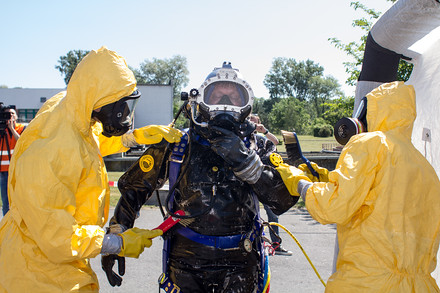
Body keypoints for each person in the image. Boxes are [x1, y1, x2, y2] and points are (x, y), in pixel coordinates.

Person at [102, 62, 299, 292]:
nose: (225, 103)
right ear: (199, 100)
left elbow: (282, 199)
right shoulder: (178, 143)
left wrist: (246, 161)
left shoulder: (258, 145)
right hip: (185, 261)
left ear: (247, 104)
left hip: (242, 261)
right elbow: (135, 188)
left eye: (234, 97)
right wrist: (115, 237)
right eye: (217, 95)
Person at [0, 47, 182, 292]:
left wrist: (134, 138)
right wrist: (117, 243)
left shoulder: (73, 108)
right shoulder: (50, 152)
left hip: (52, 260)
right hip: (38, 272)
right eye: (123, 106)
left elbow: (87, 140)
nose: (127, 113)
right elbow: (56, 236)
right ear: (102, 103)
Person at [276, 81, 440, 292]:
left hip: (367, 283)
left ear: (373, 110)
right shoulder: (425, 167)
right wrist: (327, 179)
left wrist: (299, 182)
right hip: (420, 286)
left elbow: (333, 207)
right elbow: (379, 199)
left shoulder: (371, 142)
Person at [249, 114, 292, 256]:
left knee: (272, 214)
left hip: (264, 182)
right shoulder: (242, 139)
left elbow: (276, 141)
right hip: (248, 181)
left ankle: (276, 245)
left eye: (254, 120)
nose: (251, 122)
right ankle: (250, 245)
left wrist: (264, 131)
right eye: (249, 120)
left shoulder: (262, 140)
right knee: (248, 213)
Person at [0, 106, 25, 215]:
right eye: (7, 115)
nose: (10, 116)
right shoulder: (1, 130)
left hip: (18, 170)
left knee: (20, 201)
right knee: (6, 202)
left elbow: (22, 141)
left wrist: (11, 129)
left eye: (12, 114)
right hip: (4, 171)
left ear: (16, 116)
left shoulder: (22, 128)